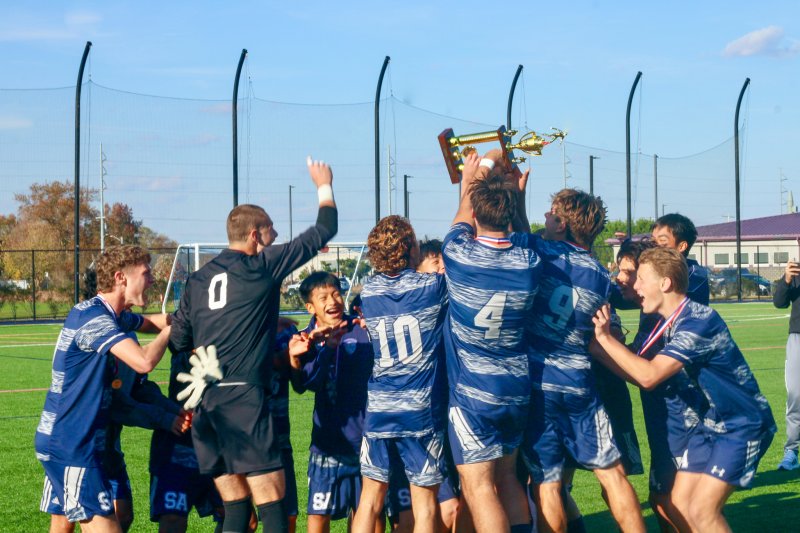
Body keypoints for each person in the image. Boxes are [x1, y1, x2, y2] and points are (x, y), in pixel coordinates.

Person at [169, 158, 338, 533]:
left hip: (208, 404)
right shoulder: (262, 265)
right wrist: (323, 184)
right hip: (245, 401)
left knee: (235, 508)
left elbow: (179, 340)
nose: (275, 239)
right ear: (255, 235)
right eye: (272, 232)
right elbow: (326, 228)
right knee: (273, 507)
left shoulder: (197, 280)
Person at [593, 246, 776, 532]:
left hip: (742, 425)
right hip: (711, 425)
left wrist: (604, 341)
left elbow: (650, 376)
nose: (634, 286)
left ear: (664, 283)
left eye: (640, 278)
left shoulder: (697, 322)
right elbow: (638, 370)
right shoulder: (669, 322)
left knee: (703, 511)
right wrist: (594, 346)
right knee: (677, 502)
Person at [511, 189, 644, 533]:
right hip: (580, 384)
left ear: (562, 223)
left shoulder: (540, 253)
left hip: (540, 385)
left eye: (551, 213)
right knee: (612, 474)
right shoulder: (600, 275)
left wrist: (518, 196)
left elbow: (520, 233)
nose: (545, 217)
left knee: (549, 482)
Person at [36, 245, 172, 532]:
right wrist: (172, 333)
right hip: (72, 444)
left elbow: (149, 323)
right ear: (121, 277)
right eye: (145, 274)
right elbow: (143, 362)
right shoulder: (95, 319)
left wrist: (184, 318)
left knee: (63, 525)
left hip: (73, 441)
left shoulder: (112, 315)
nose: (151, 280)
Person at [441, 152, 537, 533]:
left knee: (479, 488)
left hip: (473, 391)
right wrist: (511, 188)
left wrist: (472, 173)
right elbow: (522, 230)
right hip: (516, 386)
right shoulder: (528, 260)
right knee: (509, 480)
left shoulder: (458, 255)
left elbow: (464, 212)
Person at [351, 217, 449, 533]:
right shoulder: (431, 287)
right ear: (408, 247)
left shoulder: (369, 293)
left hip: (379, 407)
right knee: (424, 507)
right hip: (419, 410)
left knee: (369, 500)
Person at [287, 271, 376, 533]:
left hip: (366, 440)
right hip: (327, 444)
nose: (333, 301)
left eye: (336, 293)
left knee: (368, 512)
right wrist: (324, 349)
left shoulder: (361, 328)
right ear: (310, 307)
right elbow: (304, 385)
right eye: (323, 297)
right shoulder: (306, 339)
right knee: (318, 514)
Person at [773, 258, 800, 470]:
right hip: (798, 338)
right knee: (796, 396)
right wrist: (787, 279)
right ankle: (791, 451)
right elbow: (779, 301)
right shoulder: (796, 274)